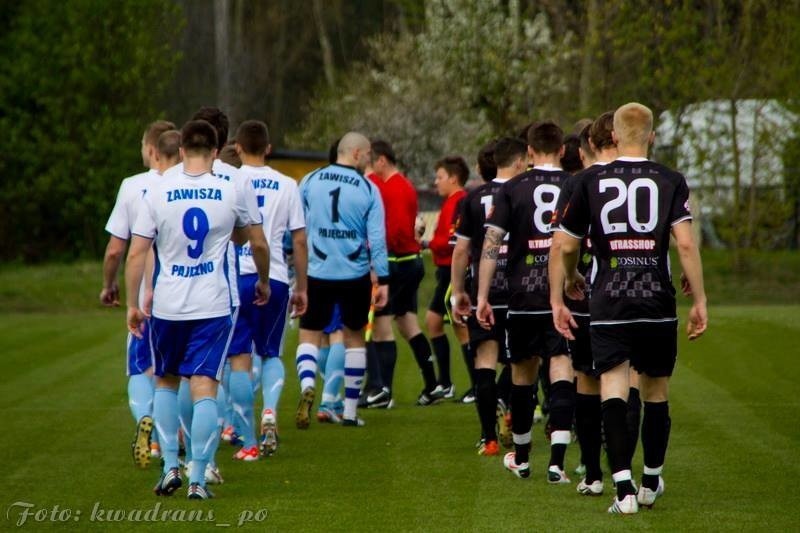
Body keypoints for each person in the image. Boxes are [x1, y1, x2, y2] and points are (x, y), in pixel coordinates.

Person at [554, 102, 707, 514]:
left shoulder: (590, 180)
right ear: (652, 137)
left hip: (609, 297)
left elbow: (567, 244)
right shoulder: (671, 179)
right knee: (656, 391)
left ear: (615, 136)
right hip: (656, 297)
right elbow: (687, 243)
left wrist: (570, 278)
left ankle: (622, 490)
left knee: (614, 386)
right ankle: (651, 481)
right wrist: (701, 299)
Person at [125, 119, 270, 500]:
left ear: (182, 148)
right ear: (215, 150)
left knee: (166, 382)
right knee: (205, 386)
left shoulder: (158, 188)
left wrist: (133, 303)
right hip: (214, 302)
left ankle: (170, 465)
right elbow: (256, 243)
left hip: (169, 304)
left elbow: (137, 251)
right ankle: (198, 479)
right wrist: (264, 280)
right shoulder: (230, 186)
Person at [477, 121, 575, 483]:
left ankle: (520, 457)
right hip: (562, 294)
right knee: (562, 367)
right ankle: (557, 463)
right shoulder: (574, 183)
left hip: (521, 294)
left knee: (522, 375)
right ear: (563, 149)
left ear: (529, 152)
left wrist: (483, 296)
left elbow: (492, 243)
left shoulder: (513, 187)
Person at [294, 131, 389, 428]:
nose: (370, 161)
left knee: (309, 333)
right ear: (358, 154)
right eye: (369, 154)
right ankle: (349, 411)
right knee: (354, 338)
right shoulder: (368, 188)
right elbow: (376, 237)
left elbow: (297, 225)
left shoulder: (309, 180)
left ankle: (307, 384)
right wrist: (382, 277)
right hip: (354, 272)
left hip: (318, 270)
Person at [227, 120, 308, 460]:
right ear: (269, 148)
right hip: (273, 276)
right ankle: (271, 412)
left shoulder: (228, 180)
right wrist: (301, 286)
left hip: (237, 277)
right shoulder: (288, 184)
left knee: (239, 358)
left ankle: (246, 439)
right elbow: (300, 239)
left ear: (239, 149)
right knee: (271, 352)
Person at [549, 111, 617, 495]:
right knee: (634, 383)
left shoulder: (578, 184)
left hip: (588, 292)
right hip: (635, 296)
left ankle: (594, 473)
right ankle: (636, 473)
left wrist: (558, 293)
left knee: (589, 380)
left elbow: (562, 245)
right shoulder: (652, 177)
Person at [100, 119, 175, 468]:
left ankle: (151, 434)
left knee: (141, 368)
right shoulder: (192, 186)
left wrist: (109, 284)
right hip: (187, 296)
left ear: (150, 149)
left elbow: (117, 249)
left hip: (145, 297)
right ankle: (177, 439)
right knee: (180, 373)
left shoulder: (133, 187)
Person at [452, 137, 527, 456]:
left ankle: (489, 438)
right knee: (525, 359)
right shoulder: (529, 192)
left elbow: (461, 251)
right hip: (523, 287)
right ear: (520, 160)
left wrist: (458, 292)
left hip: (485, 287)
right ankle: (513, 414)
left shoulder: (473, 198)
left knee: (484, 359)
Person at [366, 140, 439, 407]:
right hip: (410, 261)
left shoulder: (397, 188)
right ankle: (432, 384)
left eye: (372, 161)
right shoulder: (397, 184)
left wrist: (378, 257)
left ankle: (382, 390)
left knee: (381, 327)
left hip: (398, 261)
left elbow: (395, 231)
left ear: (382, 160)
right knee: (408, 323)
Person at [421, 156, 469, 400]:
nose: (435, 182)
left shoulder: (459, 201)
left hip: (453, 270)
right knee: (433, 321)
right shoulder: (450, 201)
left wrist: (425, 242)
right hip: (444, 271)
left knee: (461, 326)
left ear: (453, 178)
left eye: (439, 177)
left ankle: (476, 384)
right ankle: (446, 383)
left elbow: (452, 242)